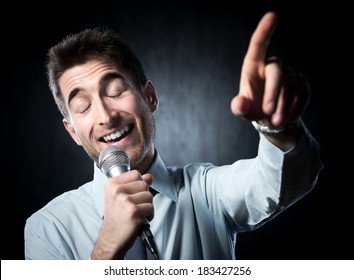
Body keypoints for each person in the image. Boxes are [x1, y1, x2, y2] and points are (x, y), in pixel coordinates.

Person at [24, 11, 323, 260]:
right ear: (72, 131)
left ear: (150, 97)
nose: (105, 116)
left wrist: (276, 127)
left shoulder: (207, 193)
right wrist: (106, 249)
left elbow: (277, 183)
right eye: (83, 106)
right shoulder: (48, 228)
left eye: (115, 91)